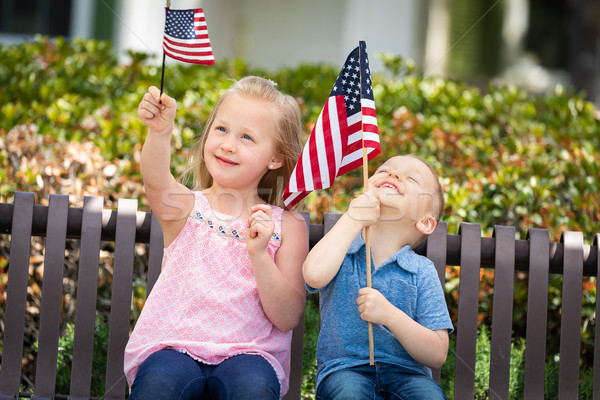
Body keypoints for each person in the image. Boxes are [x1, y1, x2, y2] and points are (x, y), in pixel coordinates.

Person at [124, 76, 309, 400]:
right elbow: (155, 177)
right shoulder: (185, 207)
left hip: (250, 355)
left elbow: (287, 316)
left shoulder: (287, 226)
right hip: (174, 347)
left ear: (276, 158)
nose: (227, 144)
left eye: (247, 137)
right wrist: (160, 131)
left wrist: (259, 255)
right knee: (158, 385)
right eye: (221, 129)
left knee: (252, 389)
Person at [303, 155, 453, 400]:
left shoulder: (422, 271)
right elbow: (313, 275)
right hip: (345, 371)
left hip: (409, 376)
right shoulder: (343, 249)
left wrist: (390, 316)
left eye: (411, 178)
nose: (393, 175)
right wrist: (353, 218)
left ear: (425, 222)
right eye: (384, 170)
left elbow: (437, 354)